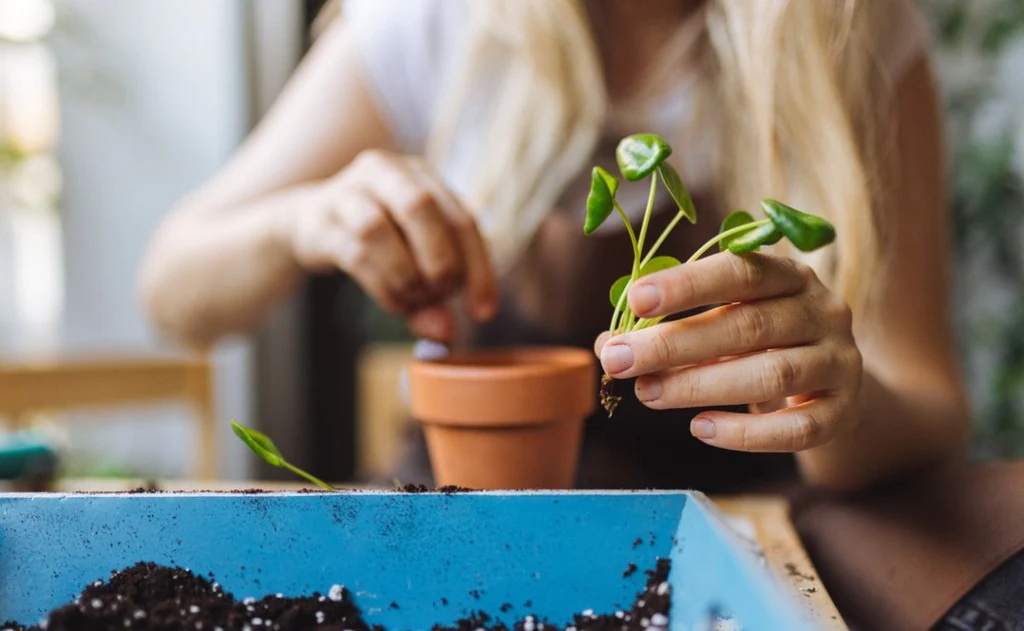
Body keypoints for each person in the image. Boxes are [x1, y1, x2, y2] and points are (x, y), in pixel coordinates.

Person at [139, 2, 1024, 629]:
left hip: (747, 521)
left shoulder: (849, 30)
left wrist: (836, 401)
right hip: (470, 513)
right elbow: (175, 289)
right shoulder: (441, 19)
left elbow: (928, 398)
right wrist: (303, 218)